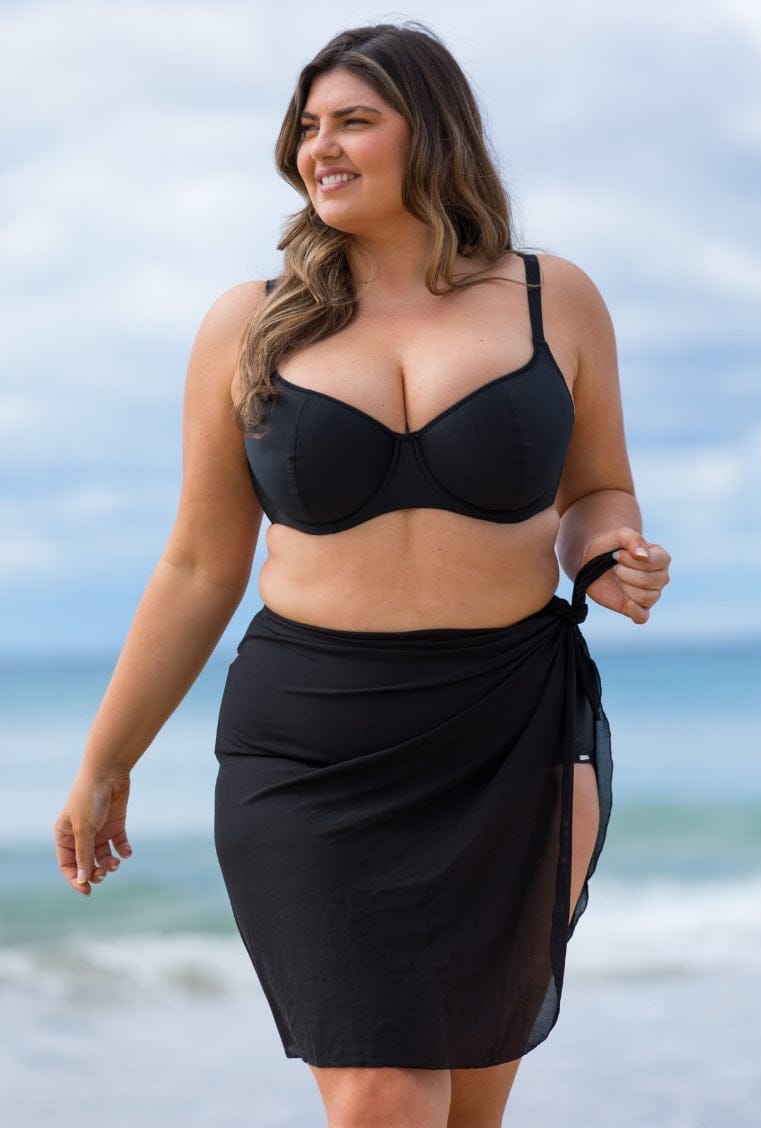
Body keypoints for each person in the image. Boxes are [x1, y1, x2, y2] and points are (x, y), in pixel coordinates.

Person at [54, 22, 670, 1128]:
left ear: (430, 134)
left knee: (467, 1112)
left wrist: (606, 553)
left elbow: (598, 490)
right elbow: (197, 565)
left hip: (509, 734)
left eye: (352, 122)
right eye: (307, 127)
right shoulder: (248, 325)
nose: (319, 149)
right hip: (310, 750)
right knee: (385, 1096)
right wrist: (108, 758)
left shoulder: (554, 298)